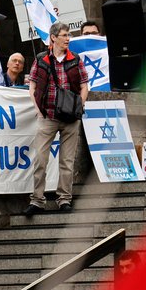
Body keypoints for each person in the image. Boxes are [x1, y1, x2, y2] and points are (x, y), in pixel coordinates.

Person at [23, 22, 89, 216]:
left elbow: (84, 86)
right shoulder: (41, 59)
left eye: (68, 35)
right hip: (48, 116)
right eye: (64, 35)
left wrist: (79, 106)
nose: (68, 38)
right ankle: (37, 200)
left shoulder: (75, 59)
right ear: (53, 38)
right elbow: (32, 87)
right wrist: (39, 111)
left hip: (70, 119)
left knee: (67, 162)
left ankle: (64, 199)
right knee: (40, 160)